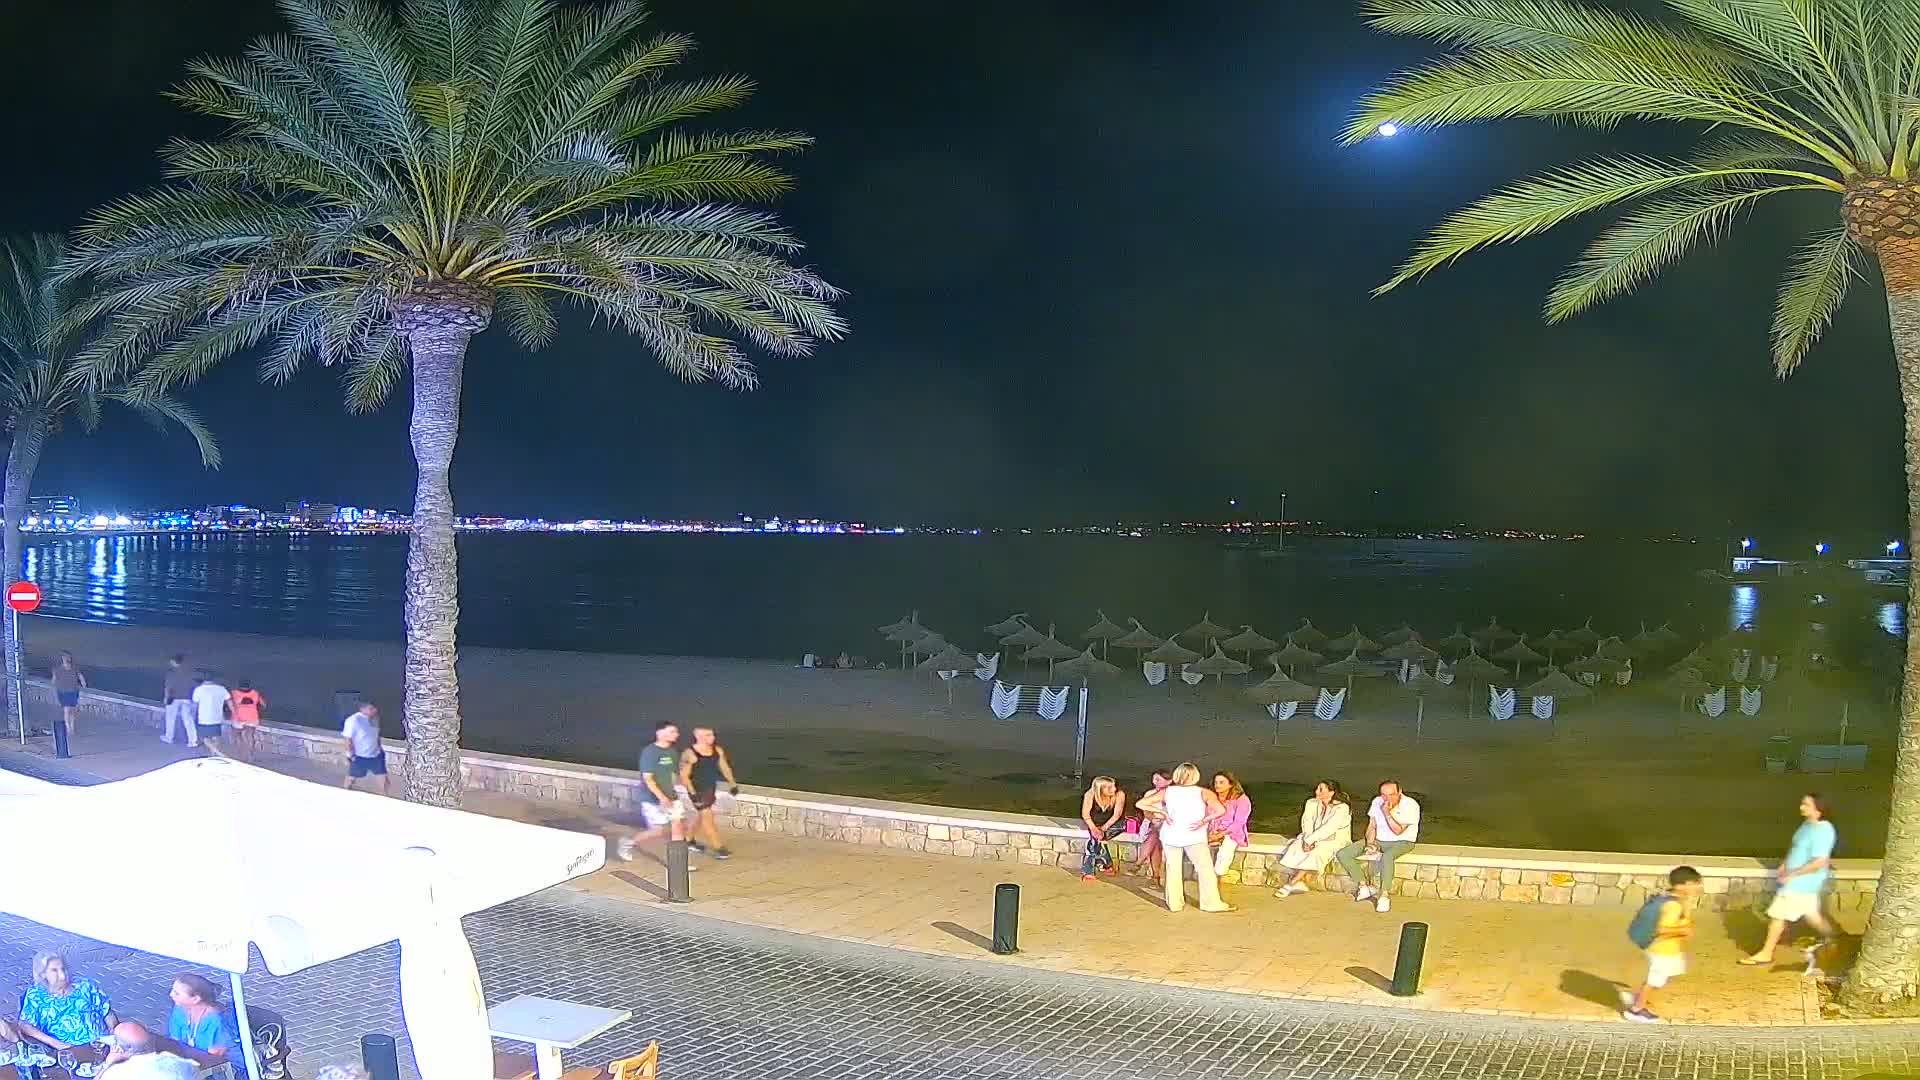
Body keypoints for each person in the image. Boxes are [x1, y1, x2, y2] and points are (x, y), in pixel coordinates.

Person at [1741, 793, 1839, 967]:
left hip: (1802, 882)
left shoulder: (1824, 830)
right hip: (1797, 880)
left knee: (1777, 915)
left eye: (1806, 805)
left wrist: (1793, 874)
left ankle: (1766, 953)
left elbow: (1819, 861)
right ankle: (1835, 938)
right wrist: (1784, 865)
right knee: (1811, 915)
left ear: (1819, 809)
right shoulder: (1807, 825)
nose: (1802, 807)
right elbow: (1796, 847)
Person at [1136, 762, 1233, 913]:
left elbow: (1141, 803)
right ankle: (1210, 903)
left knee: (1172, 869)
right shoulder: (1204, 792)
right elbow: (1220, 810)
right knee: (1205, 870)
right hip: (1194, 836)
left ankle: (1175, 904)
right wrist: (1204, 821)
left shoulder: (1168, 791)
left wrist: (1162, 813)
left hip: (1171, 835)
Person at [1, 950, 117, 1067]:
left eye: (63, 969)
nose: (62, 975)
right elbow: (25, 1025)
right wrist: (55, 1043)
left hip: (101, 1046)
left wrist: (114, 1031)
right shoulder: (36, 995)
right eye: (54, 971)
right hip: (69, 1052)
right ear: (42, 974)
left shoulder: (86, 985)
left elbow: (106, 1011)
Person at [1622, 866, 1705, 1023]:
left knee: (1661, 977)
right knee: (1655, 980)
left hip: (1666, 948)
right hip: (1662, 949)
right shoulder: (1673, 905)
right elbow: (1662, 928)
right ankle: (1636, 1010)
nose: (1698, 886)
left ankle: (1638, 997)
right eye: (1694, 883)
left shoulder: (1673, 898)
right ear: (1681, 886)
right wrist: (1683, 931)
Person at [1334, 780, 1421, 913]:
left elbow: (1398, 830)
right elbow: (1372, 825)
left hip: (1402, 841)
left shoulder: (1410, 805)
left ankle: (1384, 895)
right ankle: (1364, 886)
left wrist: (1387, 812)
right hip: (1379, 839)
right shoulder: (1377, 801)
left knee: (1387, 857)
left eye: (1391, 795)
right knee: (1344, 854)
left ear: (1399, 792)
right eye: (1384, 795)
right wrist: (1370, 843)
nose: (1387, 799)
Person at [618, 721, 686, 862]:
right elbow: (648, 779)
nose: (676, 735)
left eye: (676, 732)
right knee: (659, 831)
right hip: (651, 798)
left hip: (671, 797)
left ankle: (678, 864)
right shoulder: (649, 752)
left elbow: (673, 775)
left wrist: (676, 791)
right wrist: (662, 798)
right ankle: (627, 842)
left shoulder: (672, 752)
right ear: (659, 733)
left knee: (678, 827)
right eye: (671, 731)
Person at [1274, 780, 1353, 897]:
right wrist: (1307, 839)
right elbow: (1307, 821)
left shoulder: (1342, 808)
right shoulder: (1311, 803)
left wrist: (1312, 841)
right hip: (1312, 836)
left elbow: (1330, 828)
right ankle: (1300, 882)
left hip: (1334, 839)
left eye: (1321, 789)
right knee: (1297, 846)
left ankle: (1293, 882)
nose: (1316, 791)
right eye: (1317, 788)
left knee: (1317, 851)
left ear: (1331, 792)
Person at [679, 726, 740, 859]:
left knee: (702, 816)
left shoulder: (717, 750)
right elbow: (684, 776)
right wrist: (692, 793)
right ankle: (719, 848)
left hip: (710, 788)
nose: (712, 737)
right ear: (698, 736)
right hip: (697, 789)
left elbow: (724, 767)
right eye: (708, 735)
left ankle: (688, 840)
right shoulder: (690, 753)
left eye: (712, 735)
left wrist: (732, 784)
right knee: (707, 817)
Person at [164, 975, 237, 1074]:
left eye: (177, 993)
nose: (171, 994)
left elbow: (214, 1059)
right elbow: (175, 1041)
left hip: (223, 1069)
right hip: (192, 1061)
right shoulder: (179, 1011)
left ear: (195, 999)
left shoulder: (217, 1020)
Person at [97, 1022, 198, 1080]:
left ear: (119, 1049)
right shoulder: (177, 1062)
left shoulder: (115, 1073)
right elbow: (194, 1069)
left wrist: (107, 1065)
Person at [1078, 775, 1128, 879]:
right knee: (1096, 839)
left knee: (1096, 839)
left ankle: (1089, 871)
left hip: (1115, 824)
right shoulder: (1090, 794)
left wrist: (1102, 829)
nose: (1113, 789)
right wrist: (1094, 829)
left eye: (1114, 786)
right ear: (1099, 789)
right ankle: (1107, 865)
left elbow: (1116, 816)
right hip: (1095, 823)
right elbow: (1085, 814)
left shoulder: (1119, 795)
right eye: (1109, 787)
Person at [1208, 771, 1252, 880]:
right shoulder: (1212, 797)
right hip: (1213, 830)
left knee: (1225, 852)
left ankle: (1217, 878)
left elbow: (1239, 822)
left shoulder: (1241, 799)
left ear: (1231, 784)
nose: (1217, 785)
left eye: (1221, 782)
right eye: (1216, 782)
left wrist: (1221, 834)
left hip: (1232, 832)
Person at [340, 700, 388, 795]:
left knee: (384, 779)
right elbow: (347, 739)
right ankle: (344, 793)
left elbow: (376, 735)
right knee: (351, 778)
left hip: (376, 755)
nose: (374, 711)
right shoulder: (353, 720)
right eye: (371, 709)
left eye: (374, 708)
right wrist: (349, 754)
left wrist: (380, 749)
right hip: (360, 756)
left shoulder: (374, 719)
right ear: (362, 709)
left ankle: (386, 797)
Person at [1132, 769, 1172, 884]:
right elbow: (1146, 812)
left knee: (1155, 836)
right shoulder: (1150, 794)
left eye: (1158, 779)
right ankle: (1155, 877)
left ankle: (1139, 863)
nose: (1155, 782)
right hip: (1151, 823)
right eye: (1154, 779)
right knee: (1155, 837)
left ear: (1169, 781)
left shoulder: (1173, 794)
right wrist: (1153, 820)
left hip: (1167, 825)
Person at [190, 673, 232, 754]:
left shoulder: (199, 689)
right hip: (218, 717)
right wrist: (234, 714)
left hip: (204, 718)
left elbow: (195, 705)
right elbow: (229, 702)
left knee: (205, 738)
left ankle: (218, 753)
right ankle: (213, 754)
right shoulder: (221, 689)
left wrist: (193, 715)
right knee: (216, 737)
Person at [227, 680, 267, 763]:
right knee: (250, 737)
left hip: (238, 718)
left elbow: (229, 703)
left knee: (237, 735)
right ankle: (250, 756)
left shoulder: (233, 693)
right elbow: (264, 705)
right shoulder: (255, 693)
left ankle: (240, 754)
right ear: (249, 685)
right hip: (252, 717)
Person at [161, 655, 195, 746]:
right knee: (188, 720)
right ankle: (192, 741)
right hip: (187, 698)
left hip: (173, 698)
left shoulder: (171, 673)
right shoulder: (189, 672)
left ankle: (169, 737)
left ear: (174, 662)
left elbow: (168, 687)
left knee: (170, 718)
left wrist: (166, 697)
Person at [50, 652, 85, 739]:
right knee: (67, 709)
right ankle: (68, 728)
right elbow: (54, 680)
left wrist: (83, 683)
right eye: (65, 658)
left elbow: (80, 676)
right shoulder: (58, 670)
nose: (66, 660)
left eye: (67, 658)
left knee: (72, 710)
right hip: (63, 691)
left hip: (73, 691)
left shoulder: (74, 668)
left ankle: (71, 726)